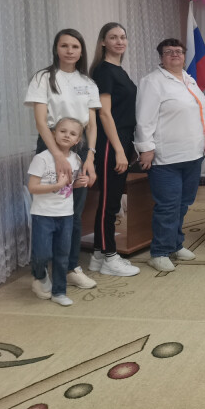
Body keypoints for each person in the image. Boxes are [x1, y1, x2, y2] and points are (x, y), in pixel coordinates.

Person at [24, 28, 100, 290]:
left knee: (73, 213)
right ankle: (40, 273)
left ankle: (70, 267)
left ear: (81, 51)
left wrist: (89, 157)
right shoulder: (44, 78)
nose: (69, 51)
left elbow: (92, 124)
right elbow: (40, 122)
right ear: (56, 49)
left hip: (80, 148)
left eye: (75, 46)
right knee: (47, 211)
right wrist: (57, 156)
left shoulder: (88, 82)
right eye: (64, 45)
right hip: (50, 145)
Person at [135, 38, 205, 272]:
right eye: (168, 52)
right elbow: (144, 119)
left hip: (193, 154)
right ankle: (159, 252)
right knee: (168, 205)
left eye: (179, 51)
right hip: (166, 156)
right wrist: (146, 148)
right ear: (161, 57)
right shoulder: (152, 82)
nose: (175, 54)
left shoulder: (189, 80)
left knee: (183, 203)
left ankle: (175, 244)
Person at [88, 22, 140, 277]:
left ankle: (98, 254)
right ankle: (110, 256)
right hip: (111, 142)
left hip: (123, 139)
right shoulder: (104, 71)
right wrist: (119, 150)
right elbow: (104, 114)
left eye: (123, 37)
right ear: (103, 42)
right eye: (113, 37)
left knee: (112, 200)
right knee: (109, 202)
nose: (120, 41)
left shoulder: (119, 70)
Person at [27, 117, 89, 306]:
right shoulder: (42, 158)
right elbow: (32, 187)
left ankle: (59, 292)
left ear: (77, 140)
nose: (67, 135)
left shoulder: (76, 160)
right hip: (43, 215)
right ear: (53, 134)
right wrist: (57, 185)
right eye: (63, 131)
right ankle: (40, 276)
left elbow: (70, 185)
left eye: (72, 133)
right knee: (41, 254)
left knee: (62, 255)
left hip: (66, 215)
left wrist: (80, 183)